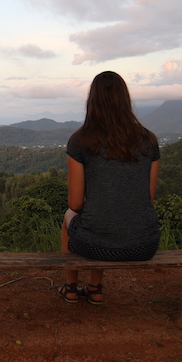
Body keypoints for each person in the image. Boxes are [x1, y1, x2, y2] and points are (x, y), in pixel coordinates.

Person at [57, 71, 161, 305]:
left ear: (92, 100)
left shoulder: (80, 140)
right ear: (125, 99)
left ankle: (71, 287)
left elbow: (75, 204)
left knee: (69, 216)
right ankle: (95, 288)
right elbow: (149, 197)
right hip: (144, 245)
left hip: (94, 246)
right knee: (106, 216)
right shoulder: (149, 140)